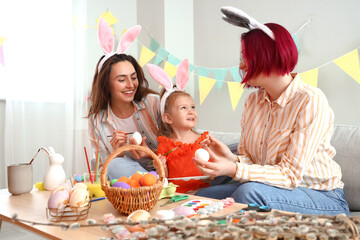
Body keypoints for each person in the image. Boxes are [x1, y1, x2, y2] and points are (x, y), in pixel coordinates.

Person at [193, 6, 350, 216]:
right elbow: (254, 163)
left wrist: (234, 169)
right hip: (274, 189)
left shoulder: (310, 100)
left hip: (322, 197)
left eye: (245, 56)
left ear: (265, 56)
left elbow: (289, 176)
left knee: (248, 194)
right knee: (198, 198)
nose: (240, 64)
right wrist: (232, 159)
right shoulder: (254, 102)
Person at [87, 18, 161, 180]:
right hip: (132, 175)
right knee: (114, 164)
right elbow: (104, 169)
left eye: (133, 77)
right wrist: (117, 153)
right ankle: (152, 186)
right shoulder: (97, 121)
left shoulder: (153, 103)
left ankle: (155, 185)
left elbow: (177, 145)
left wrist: (147, 155)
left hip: (164, 169)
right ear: (106, 84)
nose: (130, 85)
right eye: (121, 80)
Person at [146, 60, 210, 193]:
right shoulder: (164, 145)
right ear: (168, 118)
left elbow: (214, 173)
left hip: (203, 193)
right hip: (177, 195)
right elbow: (165, 179)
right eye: (183, 108)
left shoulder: (204, 141)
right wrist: (161, 169)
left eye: (192, 107)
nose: (190, 111)